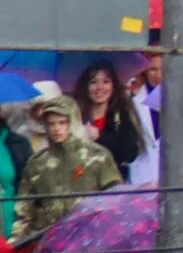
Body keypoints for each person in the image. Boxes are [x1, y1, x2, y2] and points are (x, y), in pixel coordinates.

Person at [12, 96, 119, 244]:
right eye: (51, 124)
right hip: (48, 241)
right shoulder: (37, 163)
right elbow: (24, 209)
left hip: (90, 237)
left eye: (62, 122)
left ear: (73, 122)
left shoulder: (98, 156)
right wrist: (18, 241)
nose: (56, 128)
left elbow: (115, 198)